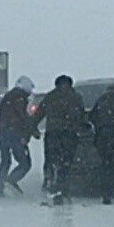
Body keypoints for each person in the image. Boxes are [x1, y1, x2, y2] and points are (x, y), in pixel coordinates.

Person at [32, 74, 87, 203]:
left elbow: (39, 113)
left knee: (52, 160)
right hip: (69, 134)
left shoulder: (51, 97)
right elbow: (81, 115)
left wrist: (33, 128)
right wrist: (83, 127)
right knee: (66, 163)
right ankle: (63, 188)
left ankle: (50, 183)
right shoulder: (76, 97)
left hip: (53, 133)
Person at [0, 75, 37, 197]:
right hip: (14, 133)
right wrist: (30, 131)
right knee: (25, 163)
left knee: (5, 161)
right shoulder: (20, 98)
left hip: (1, 132)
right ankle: (11, 180)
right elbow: (23, 117)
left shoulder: (9, 96)